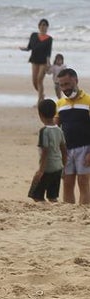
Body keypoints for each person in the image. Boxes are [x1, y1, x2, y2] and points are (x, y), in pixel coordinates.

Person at [55, 69, 90, 204]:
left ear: (76, 81)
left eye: (67, 84)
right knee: (67, 183)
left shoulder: (88, 101)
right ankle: (69, 213)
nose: (65, 88)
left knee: (84, 182)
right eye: (62, 85)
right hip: (66, 150)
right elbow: (55, 129)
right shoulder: (60, 104)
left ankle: (84, 213)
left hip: (85, 149)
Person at [29, 99, 66, 203]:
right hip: (58, 167)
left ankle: (44, 212)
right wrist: (64, 166)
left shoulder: (44, 131)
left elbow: (45, 151)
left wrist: (41, 170)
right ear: (55, 113)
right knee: (52, 196)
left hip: (47, 168)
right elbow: (64, 150)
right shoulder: (59, 130)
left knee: (36, 195)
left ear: (40, 114)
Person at [22, 19, 54, 100]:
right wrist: (24, 49)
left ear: (47, 27)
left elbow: (48, 52)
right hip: (34, 60)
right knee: (34, 81)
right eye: (41, 25)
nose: (43, 27)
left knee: (39, 80)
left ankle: (39, 101)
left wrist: (48, 63)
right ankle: (42, 95)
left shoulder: (49, 39)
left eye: (45, 25)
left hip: (43, 62)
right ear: (39, 26)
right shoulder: (33, 35)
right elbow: (29, 47)